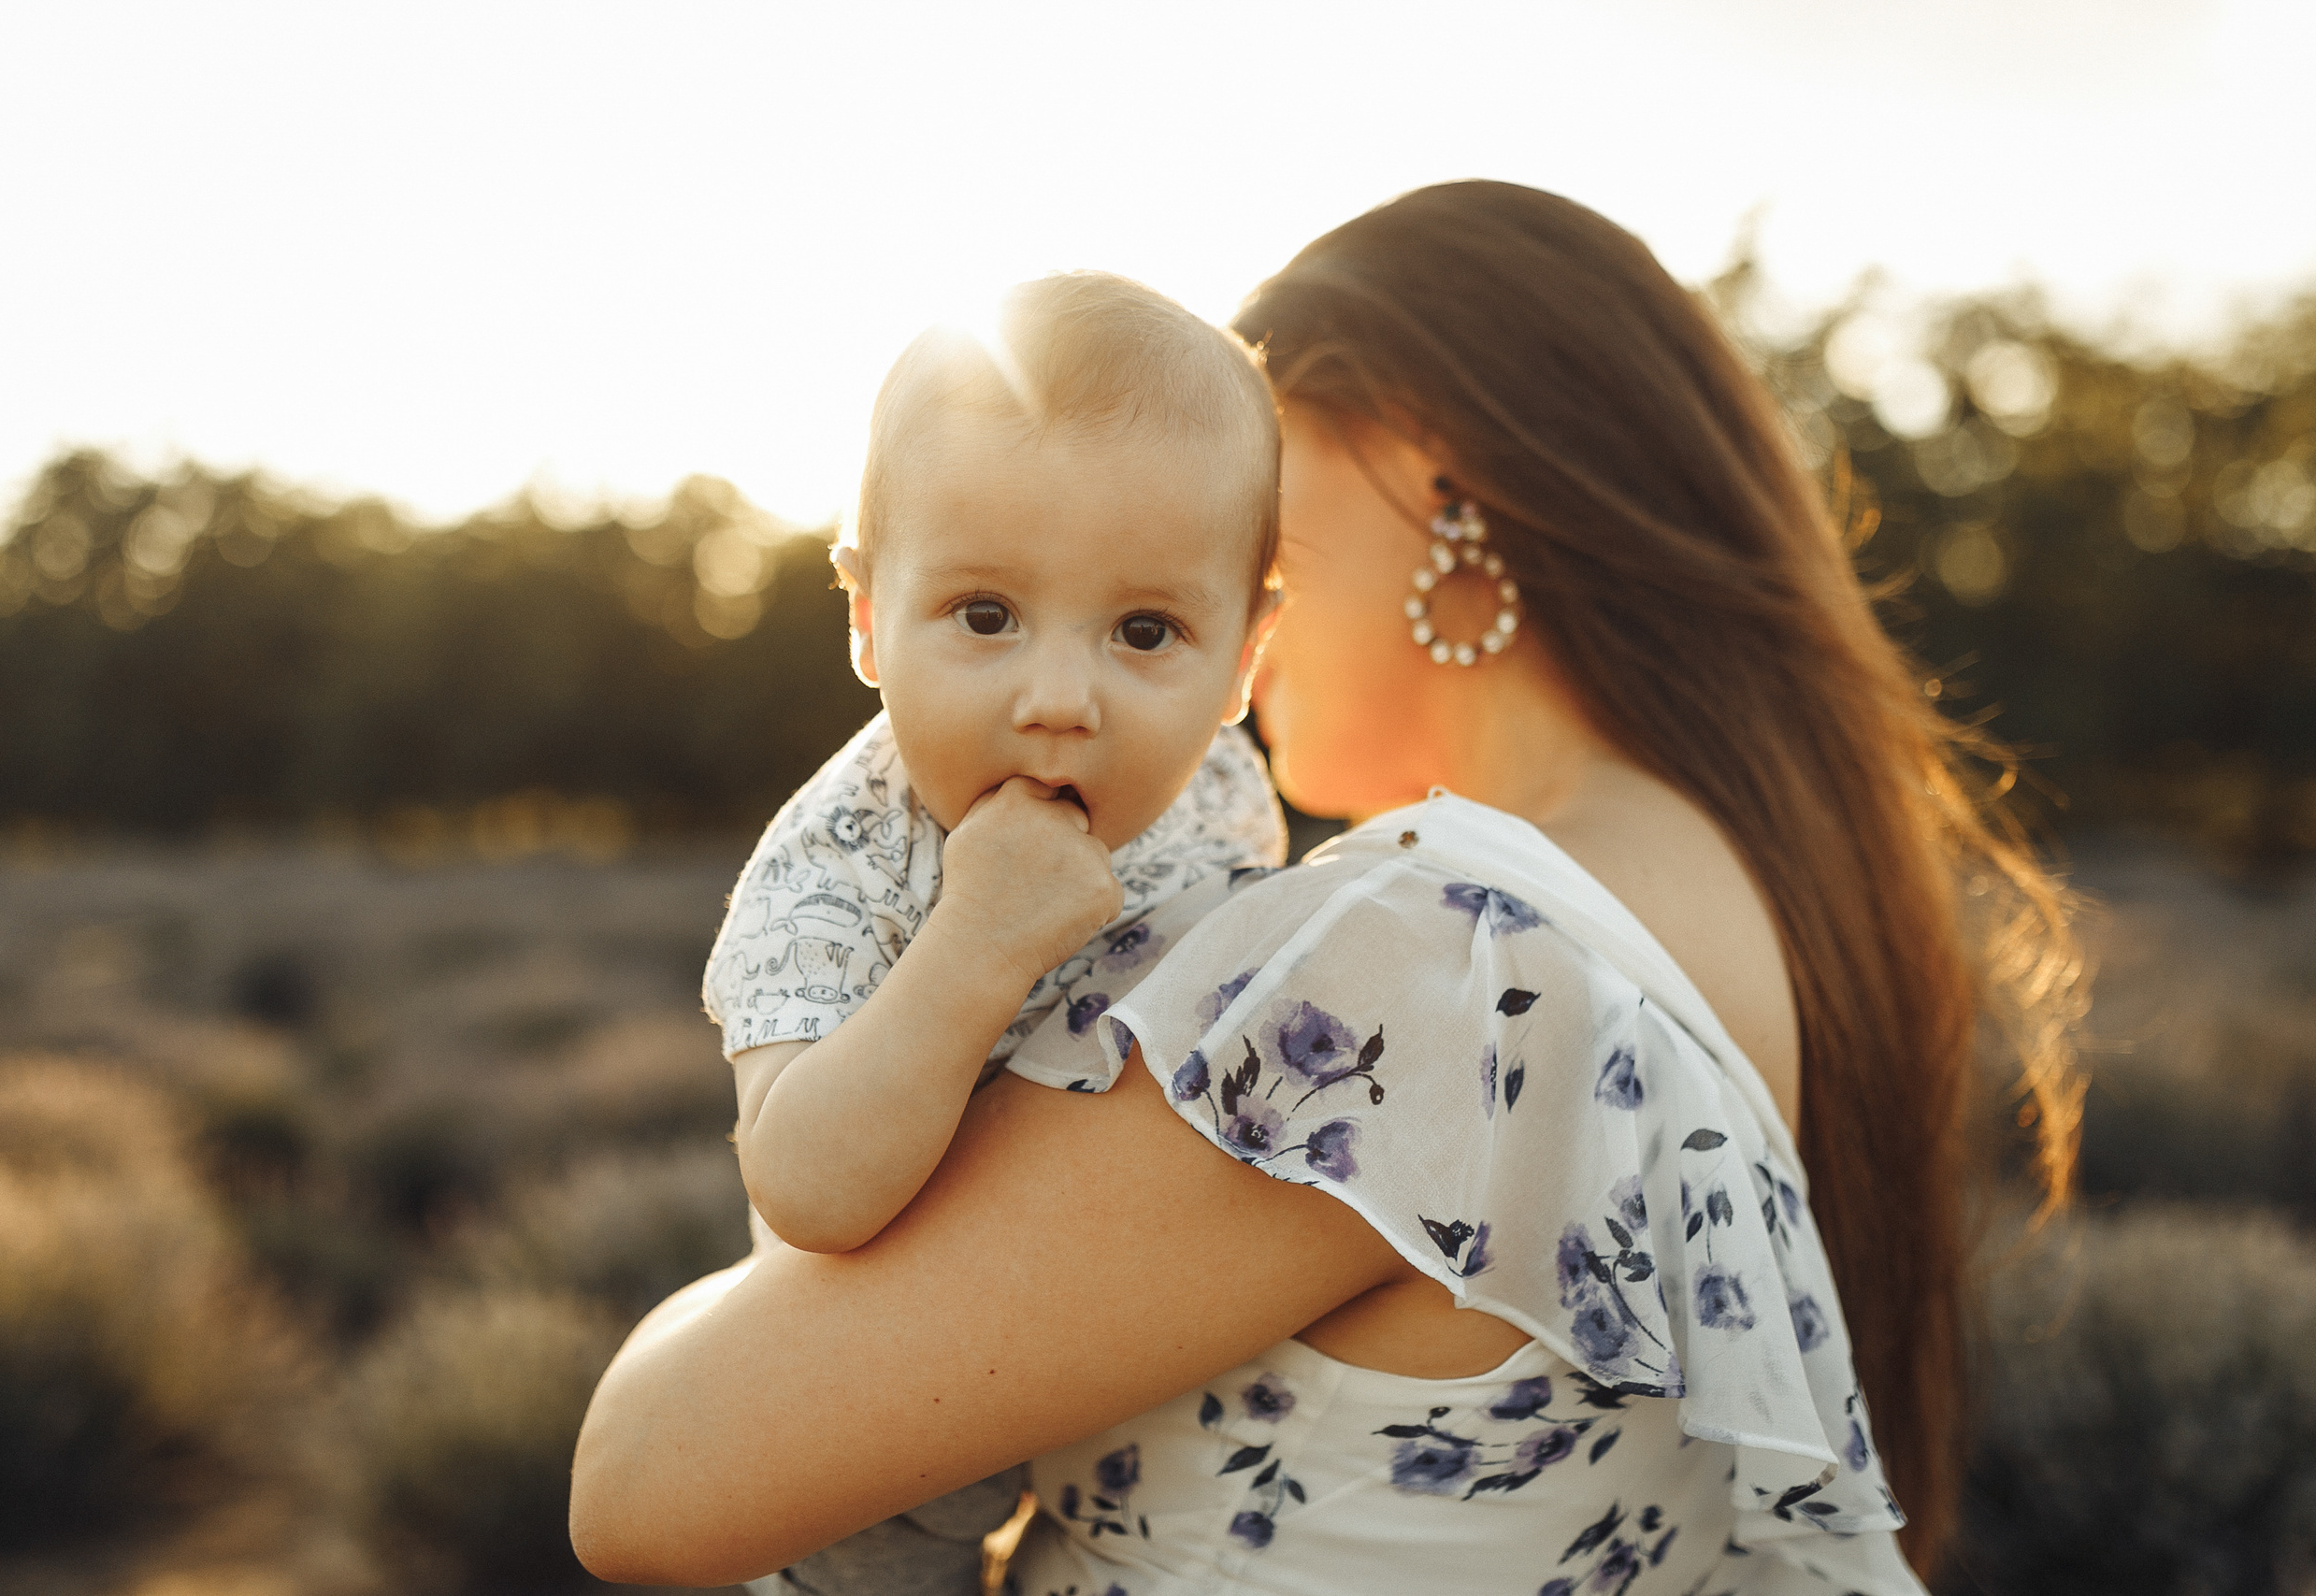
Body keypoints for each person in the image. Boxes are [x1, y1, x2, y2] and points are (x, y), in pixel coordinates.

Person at [571, 181, 2085, 1595]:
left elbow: (645, 1478)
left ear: (1439, 487)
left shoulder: (1429, 957)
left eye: (1242, 528)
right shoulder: (1735, 909)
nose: (1100, 662)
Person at [703, 270, 1287, 1593]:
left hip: (1134, 1349)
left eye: (1147, 630)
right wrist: (976, 946)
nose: (1060, 698)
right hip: (892, 1414)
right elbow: (803, 1185)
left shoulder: (1220, 782)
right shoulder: (838, 869)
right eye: (984, 617)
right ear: (865, 617)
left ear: (1247, 653)